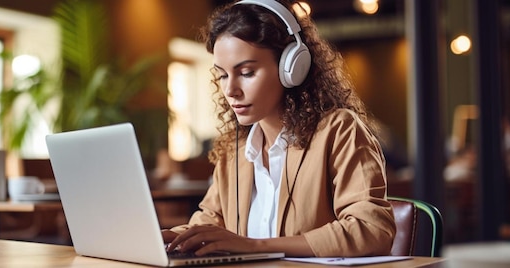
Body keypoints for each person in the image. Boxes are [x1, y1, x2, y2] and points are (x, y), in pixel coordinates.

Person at [162, 0, 396, 257]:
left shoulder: (339, 131)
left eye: (247, 72)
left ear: (291, 68)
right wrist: (170, 237)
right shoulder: (235, 149)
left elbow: (372, 230)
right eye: (223, 75)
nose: (230, 91)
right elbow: (209, 222)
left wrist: (256, 247)